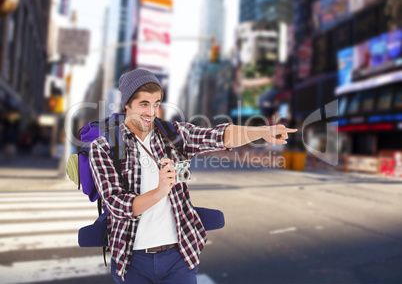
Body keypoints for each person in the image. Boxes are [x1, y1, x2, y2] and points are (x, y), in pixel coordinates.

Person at [89, 68, 297, 283]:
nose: (151, 112)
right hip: (131, 260)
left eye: (157, 103)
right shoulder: (105, 147)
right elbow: (117, 205)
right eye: (144, 104)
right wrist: (160, 190)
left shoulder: (173, 135)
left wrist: (262, 132)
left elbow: (217, 136)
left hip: (179, 256)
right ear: (127, 104)